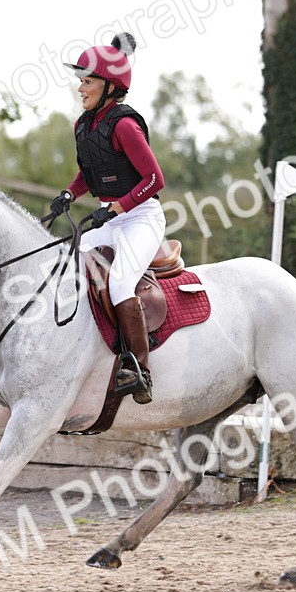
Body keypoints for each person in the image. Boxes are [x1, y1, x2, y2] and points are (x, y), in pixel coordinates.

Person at [49, 32, 166, 405]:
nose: (80, 88)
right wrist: (69, 194)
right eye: (81, 81)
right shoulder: (83, 125)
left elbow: (154, 180)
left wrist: (115, 208)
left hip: (141, 216)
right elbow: (89, 175)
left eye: (87, 81)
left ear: (110, 87)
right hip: (110, 218)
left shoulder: (125, 126)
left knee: (119, 283)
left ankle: (140, 370)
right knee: (69, 268)